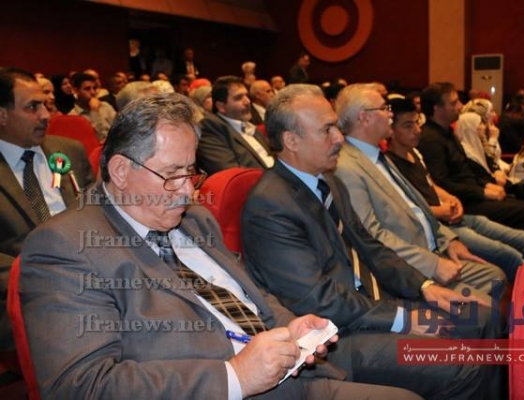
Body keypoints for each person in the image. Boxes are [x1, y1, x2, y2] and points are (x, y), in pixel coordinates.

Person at [18, 92, 417, 400]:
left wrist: (289, 326)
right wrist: (235, 376)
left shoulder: (194, 218)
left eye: (191, 172)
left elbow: (251, 295)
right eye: (172, 174)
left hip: (290, 372)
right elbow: (82, 386)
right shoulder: (65, 246)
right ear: (121, 170)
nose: (186, 191)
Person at [241, 84, 502, 400]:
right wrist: (402, 319)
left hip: (369, 304)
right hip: (335, 337)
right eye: (327, 130)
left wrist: (425, 287)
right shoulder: (270, 206)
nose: (339, 138)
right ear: (291, 141)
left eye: (336, 126)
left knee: (483, 318)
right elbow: (318, 300)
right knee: (462, 365)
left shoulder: (327, 181)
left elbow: (370, 247)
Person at [333, 84, 507, 293]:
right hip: (410, 267)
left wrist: (448, 240)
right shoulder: (346, 167)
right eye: (384, 108)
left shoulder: (377, 155)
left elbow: (416, 207)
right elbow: (372, 235)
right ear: (364, 117)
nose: (390, 114)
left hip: (433, 247)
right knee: (489, 293)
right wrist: (433, 264)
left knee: (496, 277)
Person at [386, 97, 524, 283]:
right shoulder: (389, 165)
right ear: (390, 130)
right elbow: (404, 209)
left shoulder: (414, 152)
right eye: (408, 126)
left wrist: (452, 199)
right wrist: (440, 210)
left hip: (455, 217)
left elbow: (431, 185)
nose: (417, 130)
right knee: (509, 255)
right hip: (439, 228)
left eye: (416, 123)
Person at [0, 67, 93, 355]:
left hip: (96, 278)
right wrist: (51, 277)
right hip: (26, 297)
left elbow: (102, 216)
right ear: (2, 115)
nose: (45, 115)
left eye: (45, 105)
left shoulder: (70, 151)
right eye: (32, 107)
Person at [417, 82, 524, 249]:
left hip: (472, 194)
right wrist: (482, 192)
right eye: (454, 103)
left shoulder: (447, 133)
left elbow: (467, 168)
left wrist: (485, 184)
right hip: (463, 203)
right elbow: (442, 183)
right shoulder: (430, 139)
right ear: (437, 109)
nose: (460, 106)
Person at [197, 76, 274, 175]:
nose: (247, 101)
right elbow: (232, 174)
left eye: (246, 95)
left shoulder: (248, 125)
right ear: (221, 106)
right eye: (238, 98)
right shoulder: (210, 127)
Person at [68, 72, 117, 143]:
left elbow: (120, 129)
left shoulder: (105, 106)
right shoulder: (73, 116)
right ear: (76, 91)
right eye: (87, 89)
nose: (93, 92)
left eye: (94, 88)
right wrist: (94, 112)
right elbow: (95, 139)